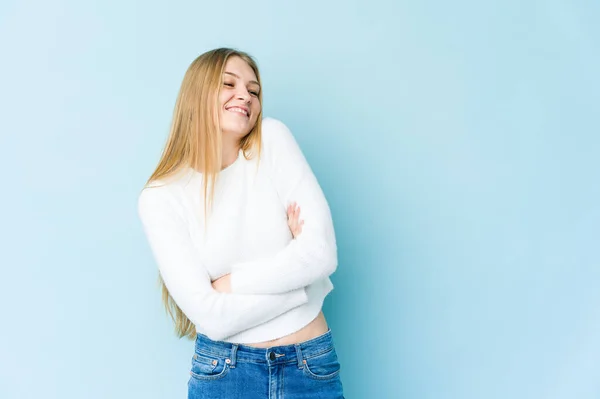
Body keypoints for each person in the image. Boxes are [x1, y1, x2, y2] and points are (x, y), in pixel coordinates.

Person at [137, 48, 344, 398]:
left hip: (309, 365)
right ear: (197, 95)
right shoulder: (161, 196)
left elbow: (322, 255)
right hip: (224, 374)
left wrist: (232, 283)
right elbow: (212, 316)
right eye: (228, 84)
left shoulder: (273, 141)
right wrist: (302, 287)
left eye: (254, 90)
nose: (245, 96)